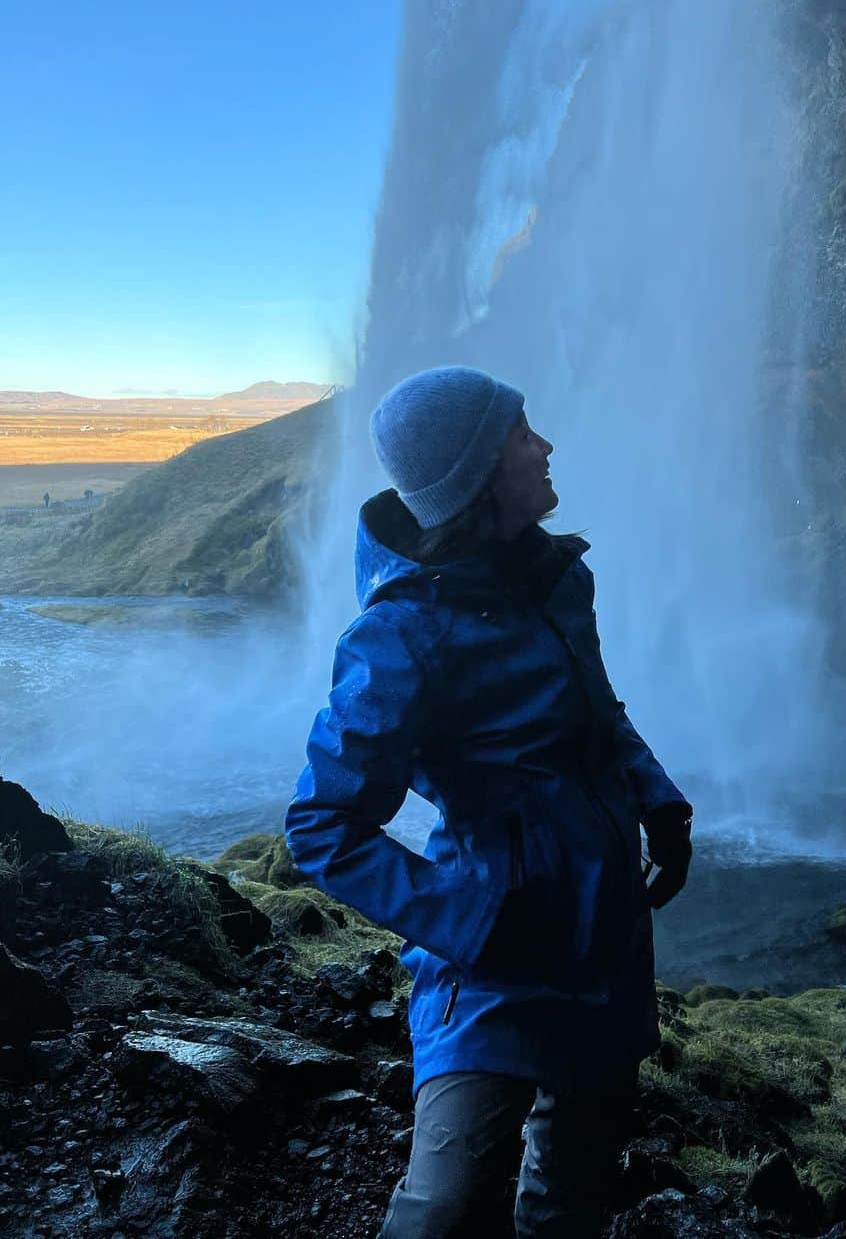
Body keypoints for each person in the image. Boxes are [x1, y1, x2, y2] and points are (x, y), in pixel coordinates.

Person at [285, 366, 693, 1238]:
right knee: (445, 1205)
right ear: (472, 473)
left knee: (572, 1195)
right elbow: (322, 827)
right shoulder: (401, 634)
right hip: (493, 960)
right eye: (521, 435)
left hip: (607, 935)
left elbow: (598, 710)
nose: (544, 447)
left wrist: (661, 804)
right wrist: (471, 922)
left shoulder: (557, 581)